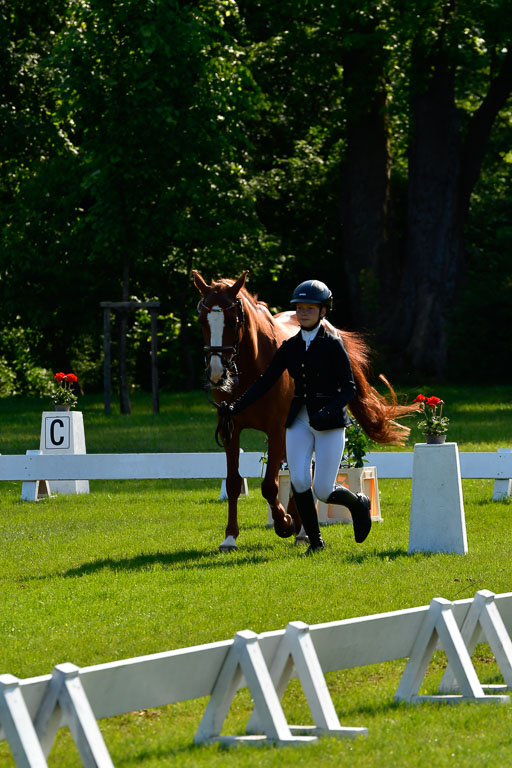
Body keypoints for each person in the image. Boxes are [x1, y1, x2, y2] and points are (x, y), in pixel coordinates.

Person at [220, 279, 372, 555]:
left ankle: (358, 503)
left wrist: (329, 410)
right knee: (300, 481)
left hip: (329, 423)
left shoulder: (334, 345)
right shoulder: (290, 346)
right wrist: (235, 406)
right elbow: (265, 381)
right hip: (299, 420)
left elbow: (349, 388)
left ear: (323, 311)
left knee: (324, 489)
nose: (303, 313)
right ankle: (315, 541)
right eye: (299, 308)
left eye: (310, 308)